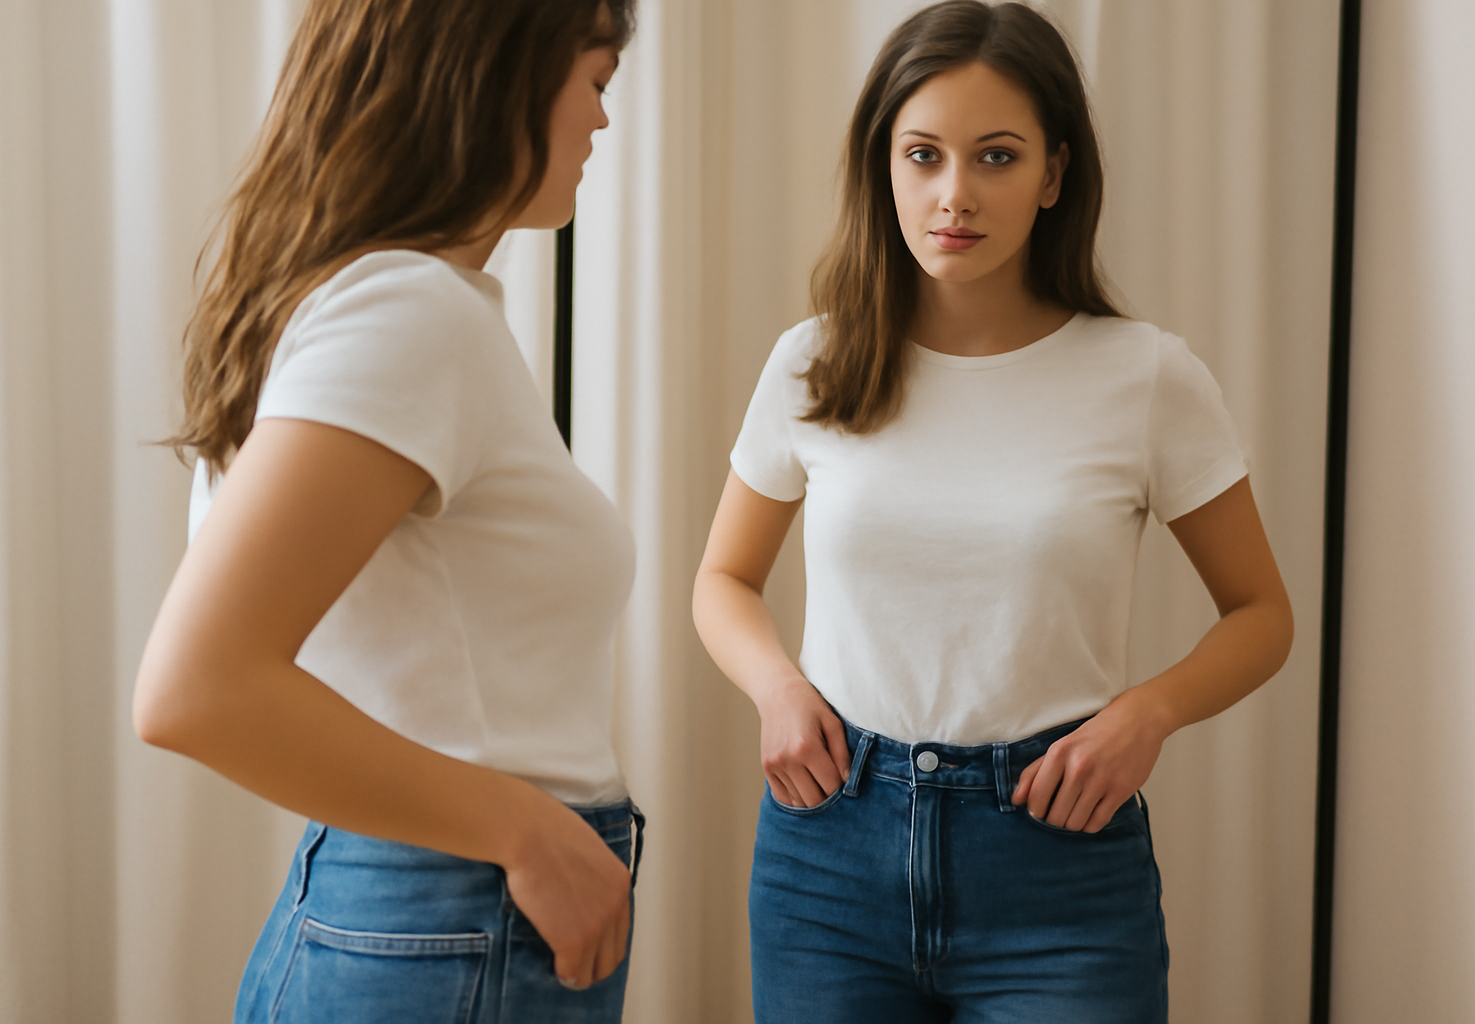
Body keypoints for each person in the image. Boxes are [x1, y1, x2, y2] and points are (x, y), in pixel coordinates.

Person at [692, 2, 1294, 1021]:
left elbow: (1261, 614)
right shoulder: (814, 360)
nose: (954, 194)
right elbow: (722, 579)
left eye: (997, 157)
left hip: (1057, 867)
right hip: (827, 856)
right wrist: (777, 689)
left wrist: (1146, 713)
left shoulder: (1146, 377)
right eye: (922, 155)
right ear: (883, 164)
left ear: (1054, 175)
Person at [132, 1, 642, 1020]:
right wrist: (530, 831)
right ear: (493, 77)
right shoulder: (409, 315)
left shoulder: (362, 305)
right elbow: (195, 687)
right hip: (451, 920)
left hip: (428, 917)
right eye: (592, 79)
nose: (601, 121)